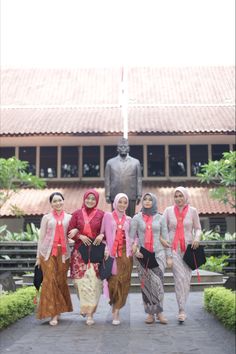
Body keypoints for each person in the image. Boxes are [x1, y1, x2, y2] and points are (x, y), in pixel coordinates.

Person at [161, 186, 201, 323]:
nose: (178, 199)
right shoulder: (168, 211)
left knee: (186, 280)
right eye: (176, 196)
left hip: (189, 249)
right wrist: (168, 255)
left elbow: (198, 229)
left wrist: (197, 238)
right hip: (173, 248)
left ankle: (182, 306)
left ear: (185, 196)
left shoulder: (193, 211)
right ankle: (182, 310)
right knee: (179, 278)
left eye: (180, 196)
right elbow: (163, 231)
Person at [129, 193, 170, 324]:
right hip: (143, 255)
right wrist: (135, 250)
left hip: (158, 254)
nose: (147, 202)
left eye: (150, 199)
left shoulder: (161, 217)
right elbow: (131, 237)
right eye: (145, 199)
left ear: (154, 202)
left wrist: (169, 256)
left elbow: (166, 238)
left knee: (158, 284)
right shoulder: (136, 218)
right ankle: (150, 313)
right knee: (146, 285)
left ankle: (160, 312)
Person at [67, 189, 105, 325]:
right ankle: (84, 305)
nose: (90, 201)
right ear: (84, 199)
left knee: (94, 283)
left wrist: (101, 235)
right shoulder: (76, 214)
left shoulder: (101, 214)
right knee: (79, 282)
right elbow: (69, 231)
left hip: (95, 251)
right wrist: (79, 235)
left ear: (96, 200)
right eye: (88, 198)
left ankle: (90, 314)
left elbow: (106, 230)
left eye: (93, 199)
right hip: (79, 251)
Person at [36, 192, 73, 326]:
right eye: (54, 201)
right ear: (51, 203)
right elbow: (41, 238)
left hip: (64, 254)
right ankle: (53, 314)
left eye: (59, 200)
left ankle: (59, 308)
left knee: (59, 281)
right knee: (49, 281)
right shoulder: (46, 218)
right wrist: (38, 257)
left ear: (63, 201)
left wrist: (75, 233)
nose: (57, 203)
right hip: (47, 253)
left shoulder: (70, 218)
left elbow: (74, 234)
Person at [100, 193, 133, 325]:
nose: (122, 205)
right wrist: (106, 249)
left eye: (125, 202)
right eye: (120, 202)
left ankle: (117, 310)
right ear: (115, 203)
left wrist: (135, 244)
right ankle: (114, 303)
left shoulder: (129, 219)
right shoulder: (107, 216)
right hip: (112, 253)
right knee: (113, 281)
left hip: (126, 253)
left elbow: (134, 236)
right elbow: (102, 234)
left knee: (124, 282)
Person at [104, 137, 142, 217]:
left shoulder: (136, 162)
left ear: (129, 148)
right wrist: (107, 194)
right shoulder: (110, 162)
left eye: (125, 146)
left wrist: (139, 194)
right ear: (117, 149)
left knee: (130, 218)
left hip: (131, 194)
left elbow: (139, 179)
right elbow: (107, 180)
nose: (123, 148)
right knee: (116, 218)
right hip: (115, 194)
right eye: (121, 147)